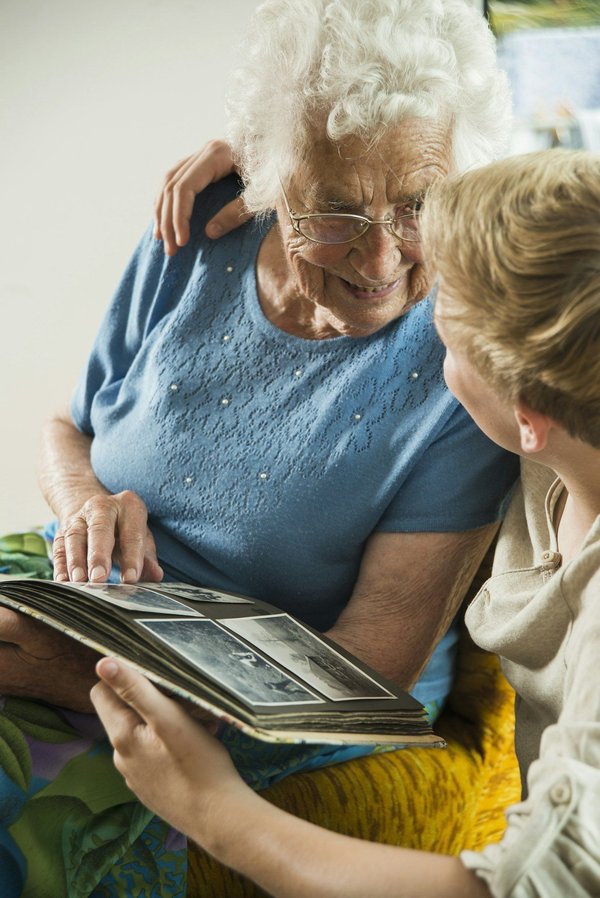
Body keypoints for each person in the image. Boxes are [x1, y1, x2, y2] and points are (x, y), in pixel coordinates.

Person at [0, 1, 517, 895]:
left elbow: (364, 673)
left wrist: (74, 671)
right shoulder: (204, 231)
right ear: (272, 182)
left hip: (276, 710)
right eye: (336, 211)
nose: (382, 256)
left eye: (415, 206)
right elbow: (67, 428)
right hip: (81, 605)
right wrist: (85, 501)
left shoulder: (464, 357)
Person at [92, 147, 600, 898]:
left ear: (527, 415)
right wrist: (282, 155)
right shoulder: (566, 429)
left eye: (445, 330)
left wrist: (214, 810)